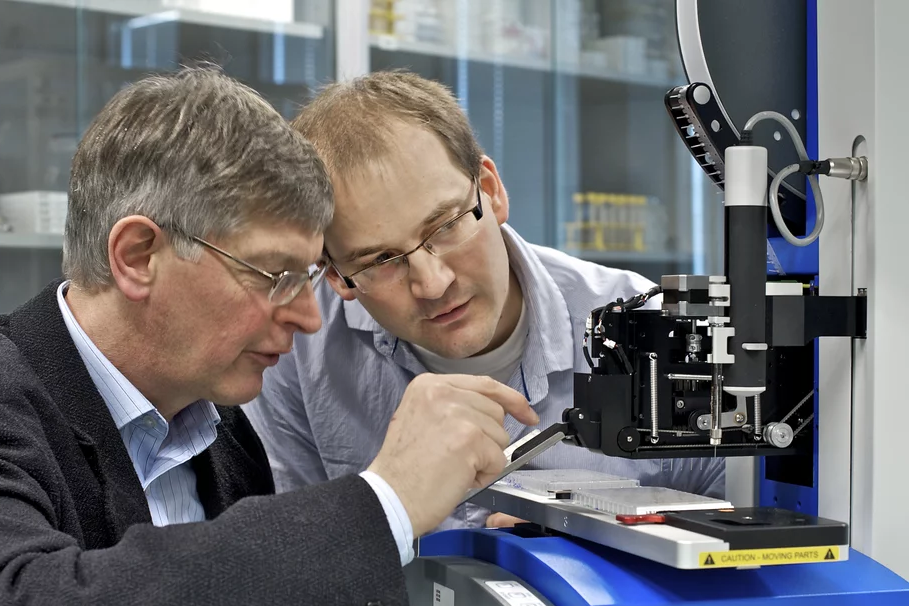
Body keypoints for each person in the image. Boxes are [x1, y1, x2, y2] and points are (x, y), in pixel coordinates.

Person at [0, 68, 539, 606]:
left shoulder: (220, 427)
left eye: (310, 276)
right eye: (275, 276)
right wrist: (385, 500)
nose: (307, 317)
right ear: (137, 257)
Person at [245, 70, 724, 531]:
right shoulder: (298, 358)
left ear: (491, 192)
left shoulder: (652, 330)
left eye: (445, 226)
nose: (432, 284)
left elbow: (745, 541)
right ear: (337, 276)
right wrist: (386, 500)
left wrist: (614, 543)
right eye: (381, 260)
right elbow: (289, 558)